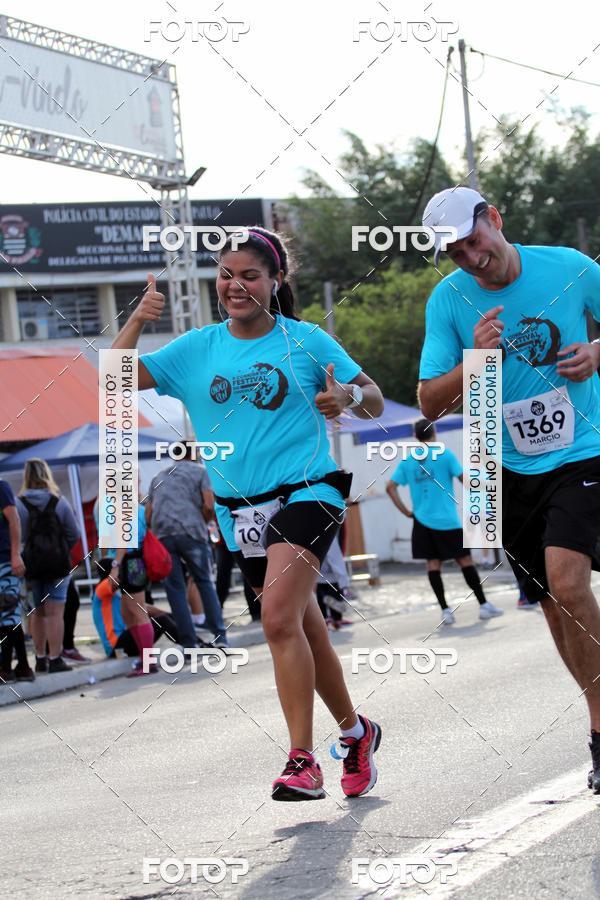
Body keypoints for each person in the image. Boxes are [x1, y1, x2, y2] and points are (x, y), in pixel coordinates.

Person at [111, 226, 385, 801]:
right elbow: (115, 385)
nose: (235, 285)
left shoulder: (305, 339)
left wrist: (347, 400)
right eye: (226, 275)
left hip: (309, 492)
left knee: (279, 621)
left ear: (276, 280)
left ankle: (302, 761)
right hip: (243, 511)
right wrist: (137, 320)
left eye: (250, 275)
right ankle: (355, 733)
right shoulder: (196, 348)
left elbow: (374, 397)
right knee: (303, 626)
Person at [418, 186, 600, 791]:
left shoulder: (570, 268)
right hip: (505, 469)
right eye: (455, 253)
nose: (471, 258)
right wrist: (475, 361)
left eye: (474, 242)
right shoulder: (447, 302)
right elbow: (427, 402)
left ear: (494, 220)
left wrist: (597, 350)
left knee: (569, 580)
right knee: (552, 604)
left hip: (582, 452)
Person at [386, 419, 503, 625]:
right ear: (434, 432)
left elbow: (390, 487)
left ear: (415, 436)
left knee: (432, 565)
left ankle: (445, 611)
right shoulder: (445, 454)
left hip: (421, 520)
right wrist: (489, 485)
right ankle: (484, 605)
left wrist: (407, 512)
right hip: (447, 520)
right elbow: (464, 480)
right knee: (465, 561)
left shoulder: (408, 460)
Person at [146, 445, 229, 648]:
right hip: (192, 532)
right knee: (204, 583)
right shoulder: (201, 472)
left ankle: (188, 643)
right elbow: (209, 504)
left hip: (163, 535)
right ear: (193, 455)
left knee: (175, 589)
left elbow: (148, 513)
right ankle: (219, 637)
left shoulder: (158, 477)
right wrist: (203, 521)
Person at [17, 459, 80, 674]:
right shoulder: (59, 501)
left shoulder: (19, 504)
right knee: (55, 613)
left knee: (37, 611)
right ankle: (55, 659)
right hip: (57, 566)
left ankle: (40, 658)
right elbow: (74, 533)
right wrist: (59, 549)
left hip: (31, 565)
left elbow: (19, 535)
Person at [94, 490, 155, 677]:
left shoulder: (122, 508)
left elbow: (122, 540)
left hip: (129, 563)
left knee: (137, 612)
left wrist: (115, 566)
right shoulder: (137, 507)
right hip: (135, 562)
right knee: (127, 612)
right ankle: (143, 658)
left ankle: (148, 662)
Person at [92, 557, 179, 665]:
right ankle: (188, 645)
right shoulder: (102, 588)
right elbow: (117, 580)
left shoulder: (117, 594)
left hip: (126, 640)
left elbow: (144, 608)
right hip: (116, 647)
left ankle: (192, 640)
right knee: (162, 620)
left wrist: (173, 617)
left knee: (164, 617)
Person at [0, 479, 33, 682]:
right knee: (7, 615)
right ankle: (21, 666)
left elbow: (14, 520)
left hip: (4, 559)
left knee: (8, 614)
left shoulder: (2, 487)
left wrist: (15, 554)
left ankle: (9, 667)